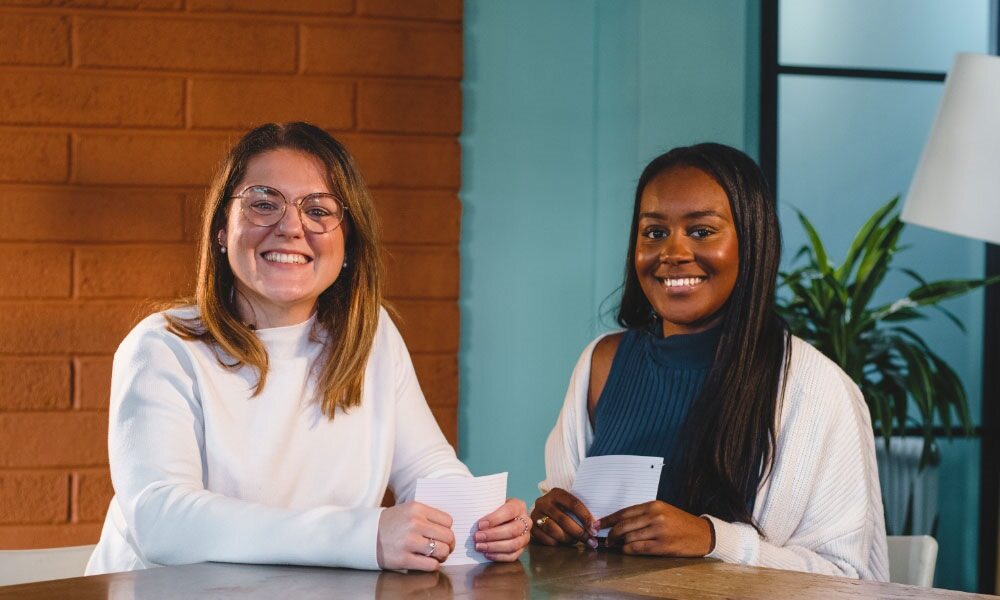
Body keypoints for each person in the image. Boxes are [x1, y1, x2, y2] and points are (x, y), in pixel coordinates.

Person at [86, 122, 530, 575]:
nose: (291, 228)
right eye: (263, 204)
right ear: (222, 229)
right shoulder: (163, 346)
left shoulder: (371, 335)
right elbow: (162, 520)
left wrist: (479, 522)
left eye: (319, 211)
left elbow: (426, 468)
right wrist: (363, 535)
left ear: (348, 242)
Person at [530, 143, 888, 580]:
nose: (673, 252)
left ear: (751, 243)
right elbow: (567, 515)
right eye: (654, 232)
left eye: (701, 231)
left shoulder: (815, 388)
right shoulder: (600, 363)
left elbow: (845, 575)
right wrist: (553, 522)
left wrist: (713, 540)